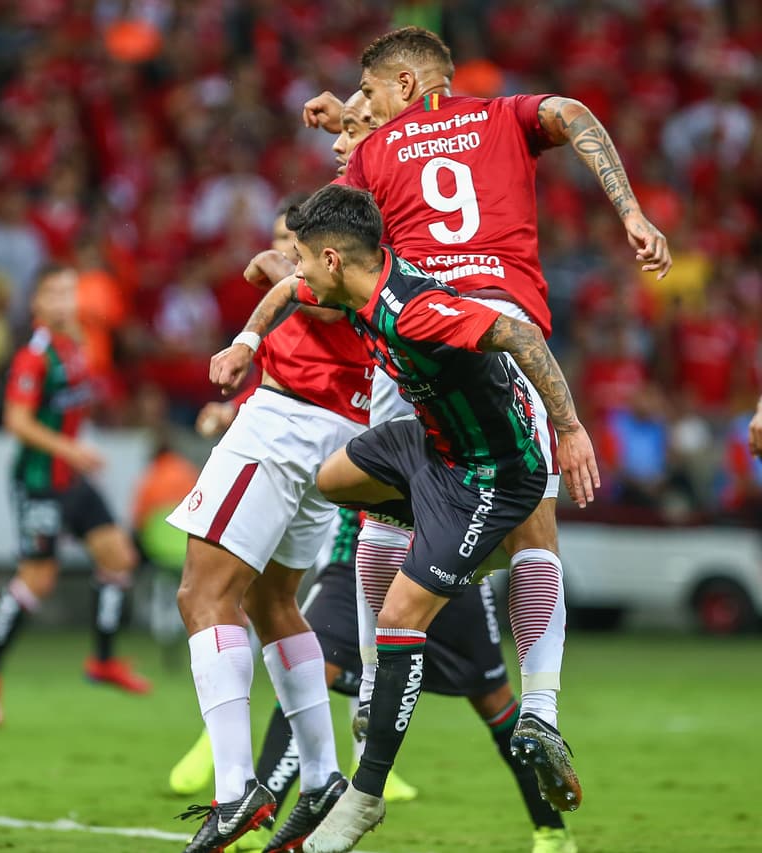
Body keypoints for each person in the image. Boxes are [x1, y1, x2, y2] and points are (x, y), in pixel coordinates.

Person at [299, 26, 670, 816]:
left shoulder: (375, 149)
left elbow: (351, 230)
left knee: (377, 507)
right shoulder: (506, 115)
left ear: (401, 85)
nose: (362, 103)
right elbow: (574, 114)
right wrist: (632, 212)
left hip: (416, 335)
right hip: (501, 329)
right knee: (535, 536)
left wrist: (349, 132)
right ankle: (541, 707)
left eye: (369, 90)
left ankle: (371, 684)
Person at [264, 184, 598, 852]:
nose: (294, 270)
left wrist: (570, 427)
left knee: (400, 615)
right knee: (333, 477)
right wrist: (248, 337)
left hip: (491, 471)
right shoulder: (350, 285)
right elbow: (284, 288)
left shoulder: (415, 311)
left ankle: (365, 795)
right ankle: (459, 549)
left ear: (332, 258)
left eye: (299, 258)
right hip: (430, 443)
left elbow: (518, 333)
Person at [165, 189, 374, 849]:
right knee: (274, 600)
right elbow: (277, 269)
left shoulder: (321, 269)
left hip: (285, 421)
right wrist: (274, 264)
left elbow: (284, 277)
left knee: (202, 592)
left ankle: (236, 788)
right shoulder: (386, 252)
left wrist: (253, 322)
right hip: (341, 431)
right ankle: (320, 775)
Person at [0, 265, 149, 728]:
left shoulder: (77, 346)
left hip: (72, 477)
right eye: (55, 294)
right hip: (39, 481)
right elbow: (17, 422)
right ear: (37, 304)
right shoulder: (35, 355)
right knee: (38, 580)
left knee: (119, 556)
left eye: (71, 293)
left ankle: (102, 660)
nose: (66, 303)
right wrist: (72, 448)